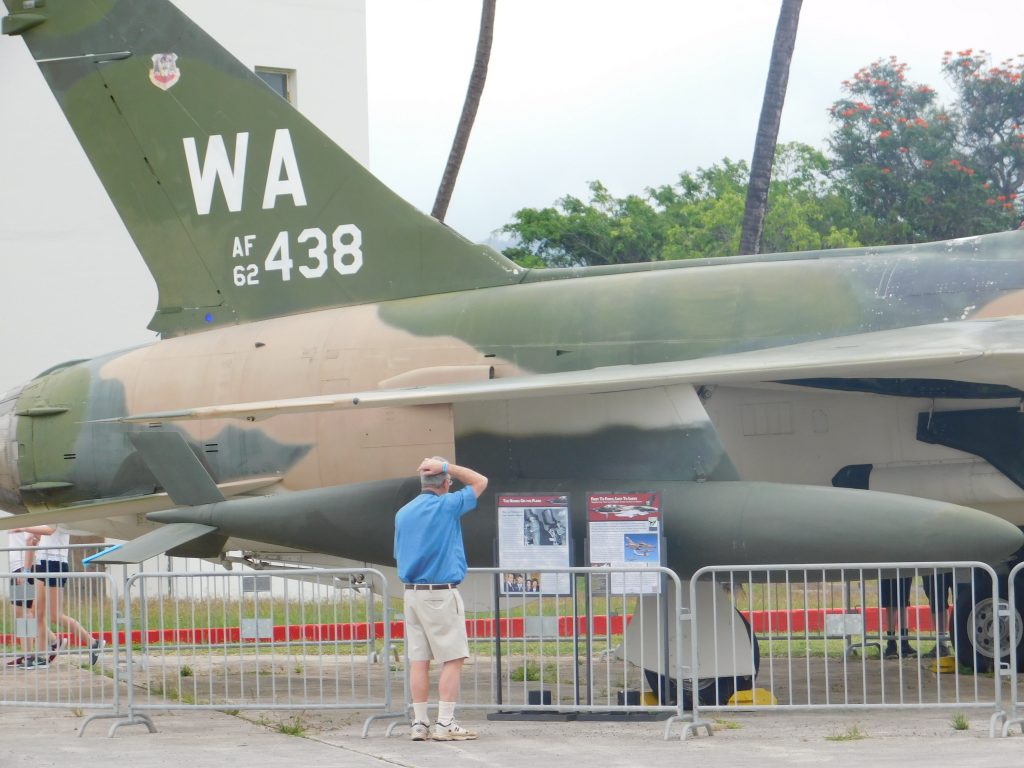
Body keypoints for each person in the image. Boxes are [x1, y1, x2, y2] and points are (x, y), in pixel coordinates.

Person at [394, 456, 487, 742]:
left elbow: (399, 553)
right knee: (453, 657)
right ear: (445, 483)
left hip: (411, 594)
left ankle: (419, 723)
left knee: (419, 659)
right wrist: (446, 466)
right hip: (440, 593)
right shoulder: (447, 506)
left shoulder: (403, 512)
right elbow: (480, 481)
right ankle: (445, 723)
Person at [14, 524, 102, 666]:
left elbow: (50, 530)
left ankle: (93, 642)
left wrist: (24, 528)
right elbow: (37, 537)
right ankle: (39, 655)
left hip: (54, 563)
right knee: (35, 612)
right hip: (41, 562)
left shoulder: (56, 514)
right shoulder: (43, 516)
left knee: (54, 615)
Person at [879, 575, 916, 659]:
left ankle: (903, 644)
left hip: (903, 569)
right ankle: (892, 643)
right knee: (891, 605)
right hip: (887, 569)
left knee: (903, 604)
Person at [922, 571, 954, 658]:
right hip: (930, 564)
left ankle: (946, 643)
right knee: (936, 601)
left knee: (962, 597)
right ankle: (942, 643)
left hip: (956, 561)